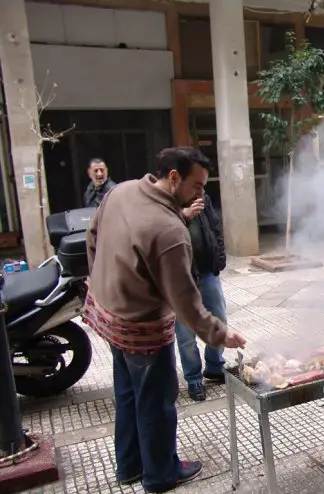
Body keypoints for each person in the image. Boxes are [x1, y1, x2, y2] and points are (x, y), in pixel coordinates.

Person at [83, 147, 247, 493]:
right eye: (197, 186)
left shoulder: (120, 191)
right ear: (173, 177)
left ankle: (129, 466)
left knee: (128, 394)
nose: (201, 193)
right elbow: (186, 301)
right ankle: (160, 474)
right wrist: (221, 334)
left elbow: (92, 237)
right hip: (142, 328)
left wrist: (102, 280)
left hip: (109, 317)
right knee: (157, 400)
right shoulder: (169, 229)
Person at [176, 193, 228, 401]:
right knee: (186, 331)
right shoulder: (168, 200)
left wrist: (219, 257)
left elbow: (216, 228)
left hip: (207, 271)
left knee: (220, 320)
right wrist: (185, 215)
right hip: (181, 275)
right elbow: (161, 230)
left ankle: (215, 366)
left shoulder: (204, 198)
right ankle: (193, 377)